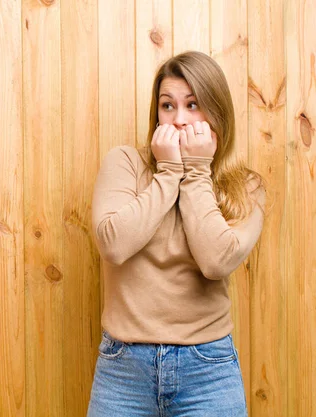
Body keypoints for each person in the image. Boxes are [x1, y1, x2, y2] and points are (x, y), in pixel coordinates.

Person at [87, 50, 266, 417]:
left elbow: (216, 261)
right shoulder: (125, 163)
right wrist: (168, 173)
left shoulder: (244, 187)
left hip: (208, 370)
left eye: (193, 105)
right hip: (124, 369)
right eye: (168, 106)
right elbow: (114, 244)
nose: (180, 119)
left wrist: (197, 171)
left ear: (215, 111)